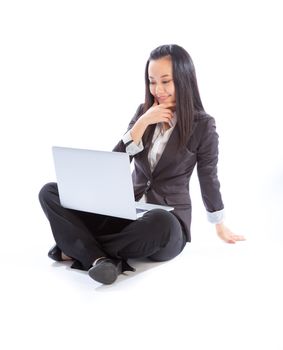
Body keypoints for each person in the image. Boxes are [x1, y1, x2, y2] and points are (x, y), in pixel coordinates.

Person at [38, 44, 245, 285]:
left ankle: (77, 246)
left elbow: (208, 176)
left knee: (160, 221)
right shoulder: (143, 113)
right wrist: (142, 124)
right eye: (152, 81)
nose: (158, 89)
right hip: (126, 213)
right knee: (50, 191)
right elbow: (114, 165)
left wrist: (219, 224)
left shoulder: (203, 125)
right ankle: (99, 259)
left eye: (166, 81)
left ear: (184, 78)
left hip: (166, 224)